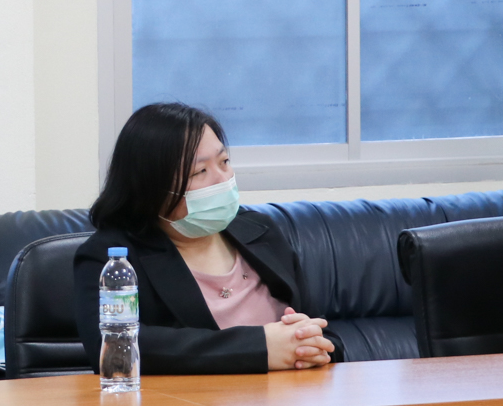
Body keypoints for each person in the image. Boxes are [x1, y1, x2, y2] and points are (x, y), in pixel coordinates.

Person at [73, 102, 341, 374]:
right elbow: (113, 347)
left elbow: (325, 334)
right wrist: (260, 347)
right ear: (150, 187)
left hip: (294, 397)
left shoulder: (261, 231)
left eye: (224, 162)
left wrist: (313, 347)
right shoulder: (110, 258)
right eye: (200, 171)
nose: (222, 179)